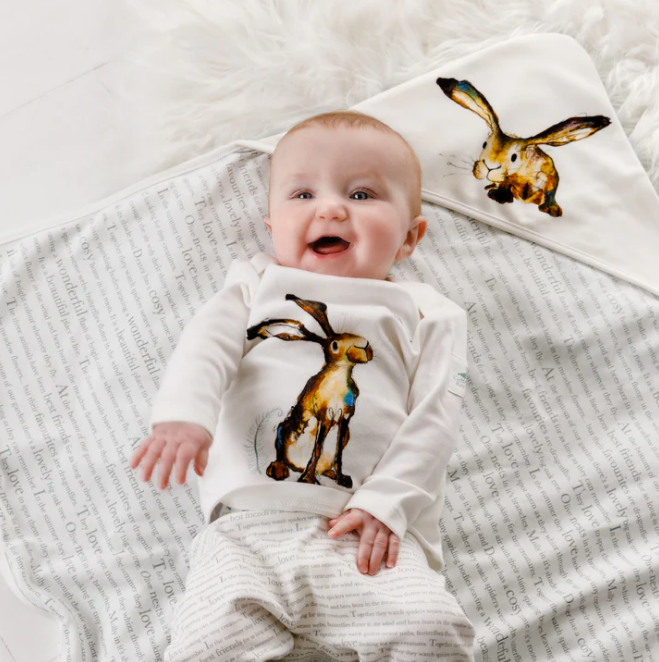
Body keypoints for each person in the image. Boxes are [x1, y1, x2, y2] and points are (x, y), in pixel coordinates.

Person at [130, 110, 476, 661]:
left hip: (365, 534)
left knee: (432, 630)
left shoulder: (429, 312)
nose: (331, 208)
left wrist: (388, 502)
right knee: (206, 644)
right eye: (303, 194)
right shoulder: (257, 283)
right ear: (272, 226)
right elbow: (206, 345)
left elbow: (436, 418)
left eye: (362, 195)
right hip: (246, 534)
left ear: (410, 237)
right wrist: (183, 416)